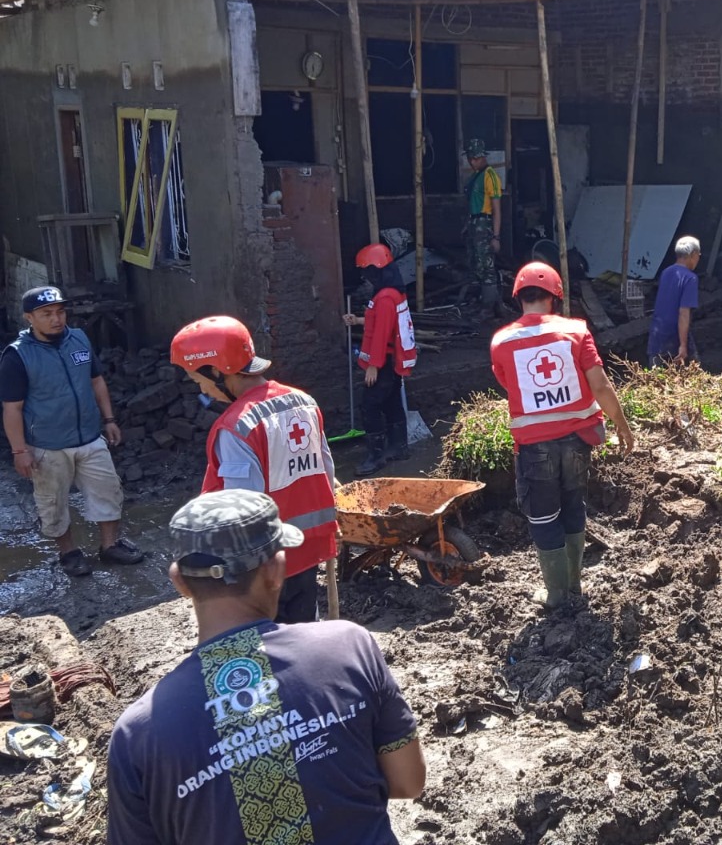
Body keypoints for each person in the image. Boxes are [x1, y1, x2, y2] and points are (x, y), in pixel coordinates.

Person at [106, 489, 425, 845]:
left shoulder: (137, 734)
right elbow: (408, 782)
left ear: (179, 582)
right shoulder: (349, 645)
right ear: (276, 570)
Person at [170, 316, 339, 624]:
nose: (204, 391)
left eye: (199, 381)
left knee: (266, 642)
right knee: (301, 630)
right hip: (310, 545)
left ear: (217, 371)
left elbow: (241, 509)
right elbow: (327, 469)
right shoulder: (304, 401)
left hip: (265, 562)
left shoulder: (236, 426)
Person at [490, 262, 635, 609]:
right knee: (573, 507)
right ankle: (573, 587)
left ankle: (555, 594)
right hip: (578, 442)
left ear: (518, 298)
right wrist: (622, 424)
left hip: (534, 448)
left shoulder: (501, 342)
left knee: (543, 517)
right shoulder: (576, 331)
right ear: (555, 297)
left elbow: (508, 384)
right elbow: (600, 384)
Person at [0, 286, 143, 577]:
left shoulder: (78, 339)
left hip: (90, 437)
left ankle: (109, 546)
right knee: (53, 502)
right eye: (47, 314)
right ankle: (69, 553)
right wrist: (19, 450)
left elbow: (97, 381)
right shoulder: (18, 356)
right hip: (47, 446)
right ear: (29, 317)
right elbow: (12, 409)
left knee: (108, 491)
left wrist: (109, 419)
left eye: (60, 312)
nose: (56, 319)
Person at [341, 243, 418, 476]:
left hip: (384, 362)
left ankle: (376, 456)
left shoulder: (385, 297)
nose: (366, 276)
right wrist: (359, 321)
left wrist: (373, 366)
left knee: (370, 405)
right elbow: (384, 322)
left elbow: (383, 332)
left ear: (378, 270)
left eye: (368, 271)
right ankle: (399, 447)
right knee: (392, 401)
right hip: (393, 361)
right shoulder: (393, 293)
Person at [464, 138, 503, 319]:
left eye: (476, 158)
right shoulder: (475, 176)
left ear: (483, 157)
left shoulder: (490, 175)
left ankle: (488, 308)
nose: (472, 162)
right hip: (474, 224)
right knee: (476, 264)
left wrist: (496, 236)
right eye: (470, 158)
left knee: (487, 266)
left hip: (484, 225)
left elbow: (496, 208)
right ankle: (481, 302)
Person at [648, 236, 701, 367]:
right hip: (674, 336)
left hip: (657, 332)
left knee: (654, 378)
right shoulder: (690, 278)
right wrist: (683, 345)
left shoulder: (666, 272)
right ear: (693, 254)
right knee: (692, 374)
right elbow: (683, 312)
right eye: (698, 255)